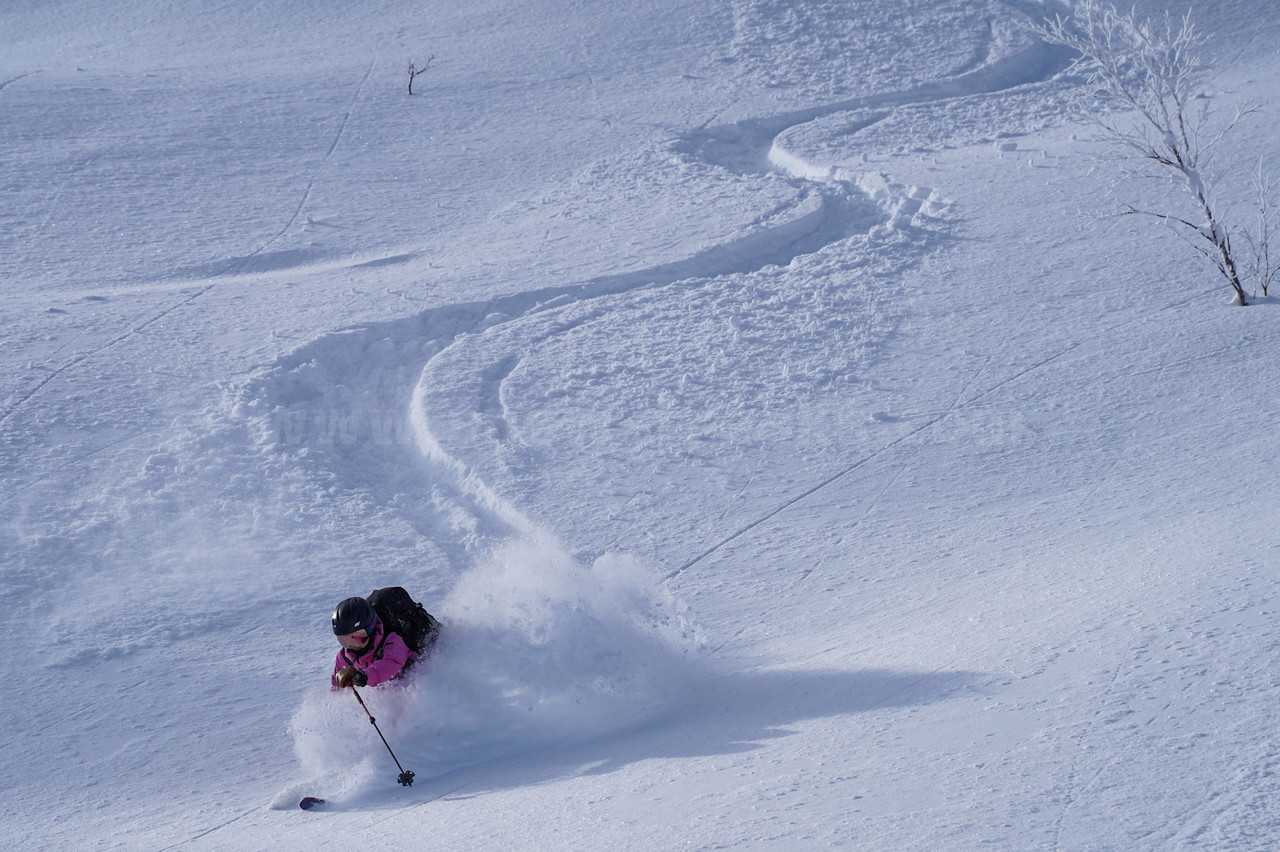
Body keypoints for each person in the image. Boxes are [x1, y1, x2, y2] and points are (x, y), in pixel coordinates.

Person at [330, 596, 418, 689]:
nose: (351, 645)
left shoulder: (392, 640)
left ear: (370, 629)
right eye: (344, 640)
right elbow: (336, 687)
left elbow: (392, 662)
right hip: (387, 687)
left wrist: (363, 676)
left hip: (414, 681)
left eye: (357, 636)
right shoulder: (345, 657)